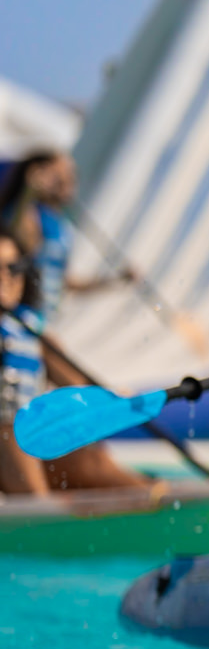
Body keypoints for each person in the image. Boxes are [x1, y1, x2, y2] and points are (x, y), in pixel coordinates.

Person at [0, 150, 150, 491]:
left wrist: (113, 282)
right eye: (58, 177)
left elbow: (64, 282)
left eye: (72, 177)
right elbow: (16, 232)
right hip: (22, 333)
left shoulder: (58, 226)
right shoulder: (28, 220)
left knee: (65, 386)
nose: (69, 185)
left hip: (33, 320)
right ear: (34, 176)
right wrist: (27, 191)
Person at [0, 231, 49, 494]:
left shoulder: (31, 327)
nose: (5, 277)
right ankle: (41, 510)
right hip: (8, 438)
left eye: (13, 267)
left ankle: (151, 492)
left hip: (28, 438)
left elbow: (77, 382)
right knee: (12, 430)